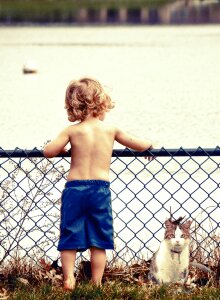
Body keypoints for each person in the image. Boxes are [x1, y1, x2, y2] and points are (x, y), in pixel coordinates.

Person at [44, 77, 154, 290]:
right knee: (99, 239)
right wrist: (151, 144)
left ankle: (68, 279)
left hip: (75, 189)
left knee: (69, 234)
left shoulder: (72, 131)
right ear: (100, 104)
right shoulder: (111, 130)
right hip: (99, 190)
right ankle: (96, 283)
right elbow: (139, 145)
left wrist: (62, 150)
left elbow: (48, 151)